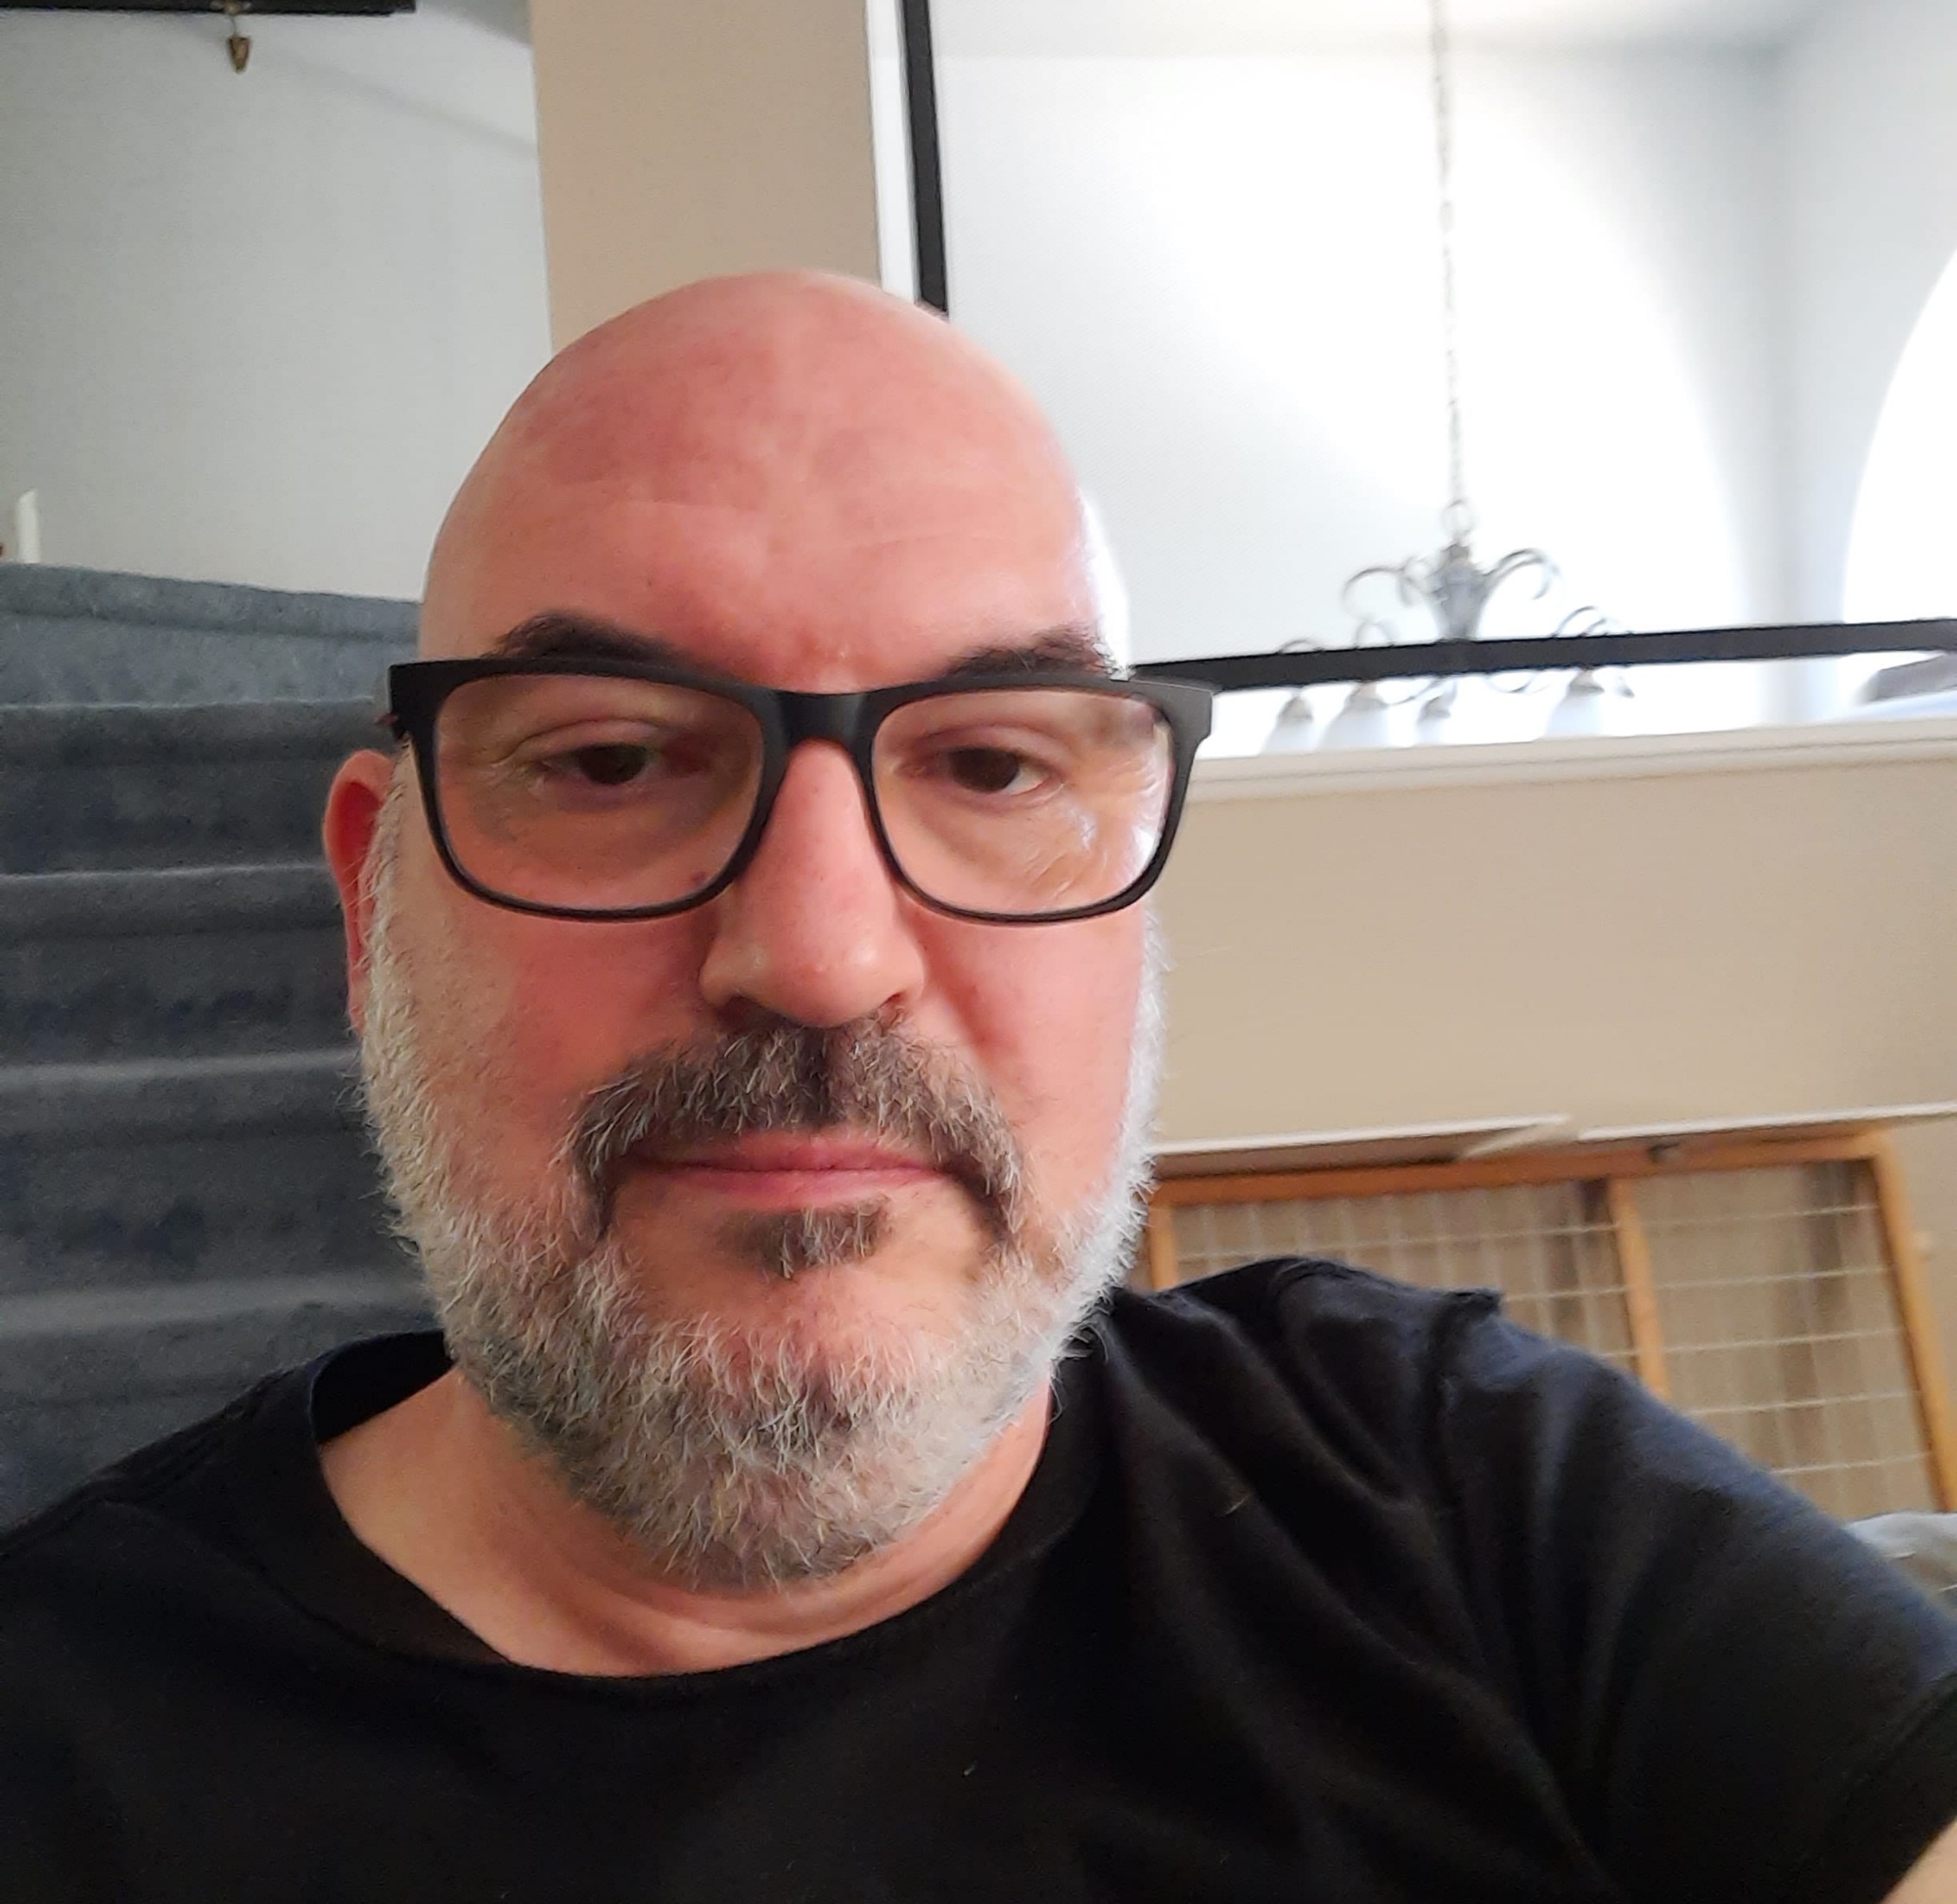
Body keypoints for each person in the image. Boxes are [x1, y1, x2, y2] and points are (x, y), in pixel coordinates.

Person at [2, 272, 1955, 1903]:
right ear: (374, 905)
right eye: (608, 760)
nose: (821, 952)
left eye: (997, 765)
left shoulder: (1475, 1495)